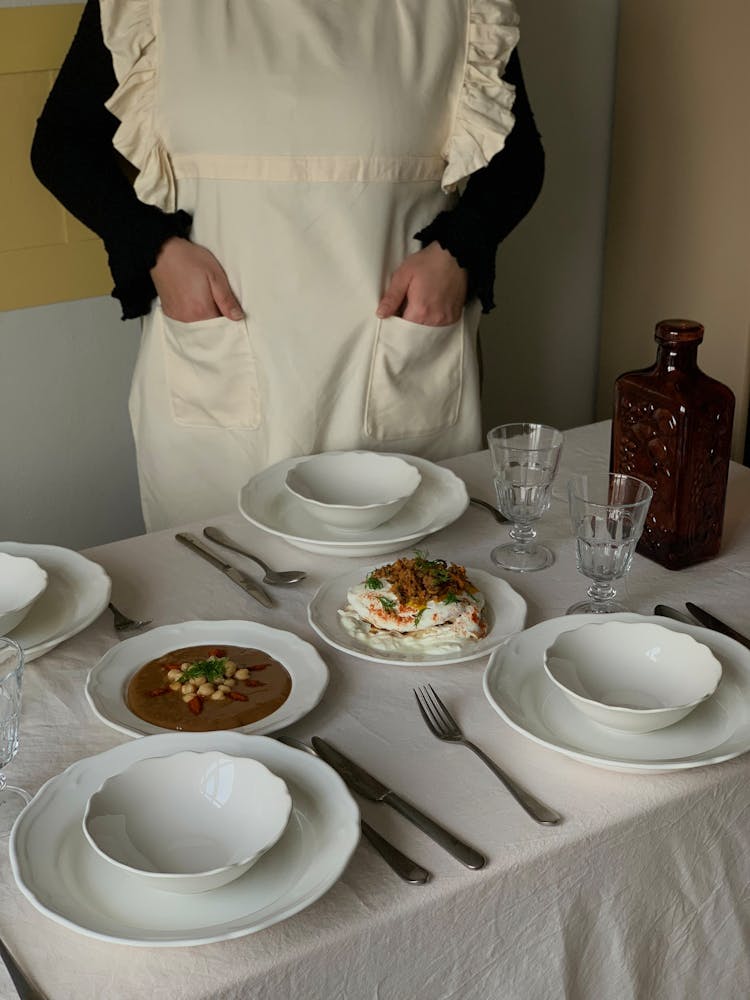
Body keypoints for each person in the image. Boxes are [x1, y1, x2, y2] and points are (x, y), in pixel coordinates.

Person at [32, 0, 544, 531]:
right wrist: (154, 249)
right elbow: (63, 144)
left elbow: (517, 159)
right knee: (222, 574)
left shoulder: (459, 8)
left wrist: (456, 253)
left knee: (407, 592)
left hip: (393, 348)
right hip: (221, 350)